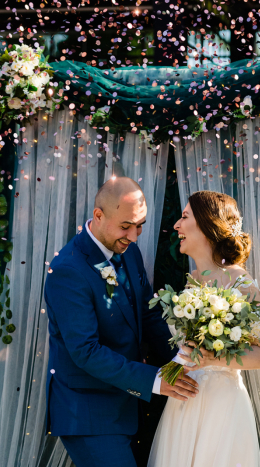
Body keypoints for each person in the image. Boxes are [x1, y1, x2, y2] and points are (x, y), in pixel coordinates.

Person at [43, 176, 199, 467]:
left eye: (139, 225)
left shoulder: (129, 252)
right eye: (126, 226)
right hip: (89, 414)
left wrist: (186, 360)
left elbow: (147, 313)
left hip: (131, 408)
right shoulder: (68, 269)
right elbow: (85, 351)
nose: (134, 236)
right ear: (98, 215)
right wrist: (154, 380)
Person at [147, 190, 260, 467]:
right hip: (184, 400)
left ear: (206, 225)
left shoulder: (241, 283)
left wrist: (212, 357)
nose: (177, 226)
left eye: (184, 217)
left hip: (221, 403)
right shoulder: (191, 282)